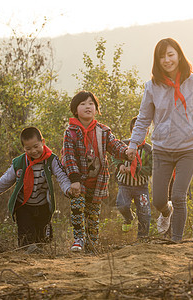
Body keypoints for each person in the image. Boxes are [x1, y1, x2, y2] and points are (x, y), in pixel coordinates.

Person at [126, 38, 193, 242]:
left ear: (179, 55)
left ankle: (176, 240)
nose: (167, 60)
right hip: (162, 149)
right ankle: (166, 212)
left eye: (170, 54)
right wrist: (133, 143)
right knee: (158, 200)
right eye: (162, 56)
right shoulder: (152, 86)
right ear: (157, 60)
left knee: (179, 196)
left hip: (188, 149)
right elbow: (143, 118)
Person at [0, 127, 74, 250]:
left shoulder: (51, 159)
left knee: (43, 240)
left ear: (43, 142)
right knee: (26, 238)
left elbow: (61, 176)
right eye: (28, 148)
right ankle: (28, 253)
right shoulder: (19, 162)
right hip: (24, 205)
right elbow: (6, 180)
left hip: (43, 205)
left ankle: (42, 256)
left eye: (36, 146)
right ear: (24, 148)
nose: (33, 151)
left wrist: (68, 189)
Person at [62, 90, 130, 253]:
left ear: (96, 108)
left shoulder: (103, 131)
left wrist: (127, 152)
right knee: (77, 208)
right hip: (79, 181)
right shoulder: (71, 132)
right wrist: (74, 179)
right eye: (83, 104)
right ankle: (78, 239)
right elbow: (69, 156)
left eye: (91, 103)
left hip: (98, 181)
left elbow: (115, 145)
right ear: (75, 109)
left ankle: (92, 244)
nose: (87, 107)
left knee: (93, 215)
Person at [112, 116, 152, 239]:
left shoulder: (149, 149)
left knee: (144, 212)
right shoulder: (123, 144)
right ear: (131, 131)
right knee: (122, 205)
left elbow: (151, 169)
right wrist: (120, 165)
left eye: (142, 130)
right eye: (136, 130)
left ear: (147, 132)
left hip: (141, 186)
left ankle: (142, 238)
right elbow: (115, 155)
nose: (139, 133)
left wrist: (134, 169)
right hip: (125, 184)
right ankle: (128, 217)